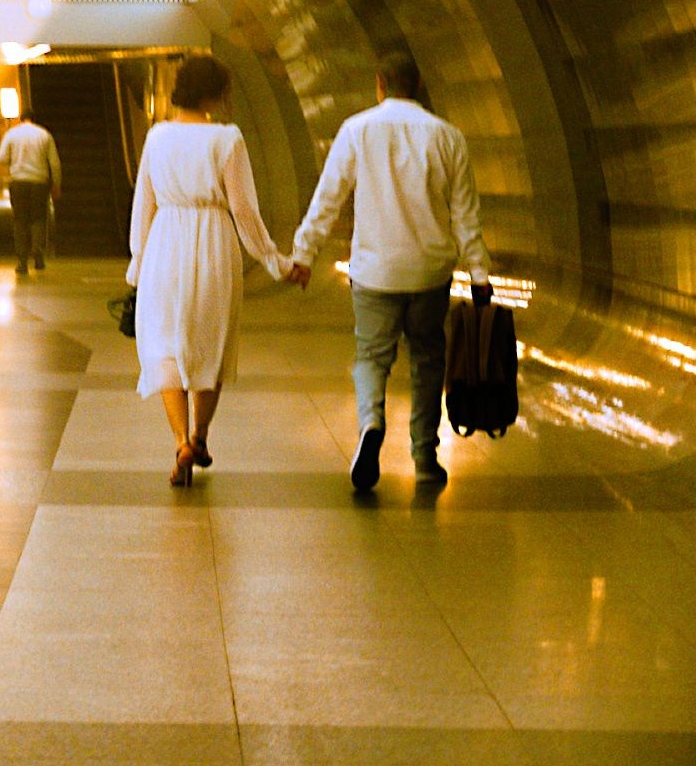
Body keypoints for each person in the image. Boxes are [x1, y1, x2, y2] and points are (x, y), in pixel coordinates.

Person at [286, 51, 490, 491]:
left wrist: (304, 253)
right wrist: (479, 273)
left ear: (380, 84)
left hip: (375, 270)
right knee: (427, 360)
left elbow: (328, 198)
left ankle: (371, 422)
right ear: (418, 85)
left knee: (371, 356)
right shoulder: (449, 136)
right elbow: (465, 214)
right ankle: (425, 456)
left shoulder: (356, 130)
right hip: (429, 272)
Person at [127, 54, 297, 486]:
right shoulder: (227, 139)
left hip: (165, 243)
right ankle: (200, 437)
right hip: (213, 244)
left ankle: (180, 441)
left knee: (165, 344)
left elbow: (143, 205)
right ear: (217, 94)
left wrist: (139, 263)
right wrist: (275, 261)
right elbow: (244, 210)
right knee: (209, 341)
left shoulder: (157, 136)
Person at [0, 107, 60, 274]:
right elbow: (54, 163)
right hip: (39, 182)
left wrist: (14, 159)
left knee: (20, 221)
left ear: (21, 119)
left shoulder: (11, 134)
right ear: (34, 119)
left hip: (19, 182)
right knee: (38, 219)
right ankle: (38, 254)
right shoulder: (44, 135)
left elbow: (1, 158)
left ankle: (22, 261)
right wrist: (56, 184)